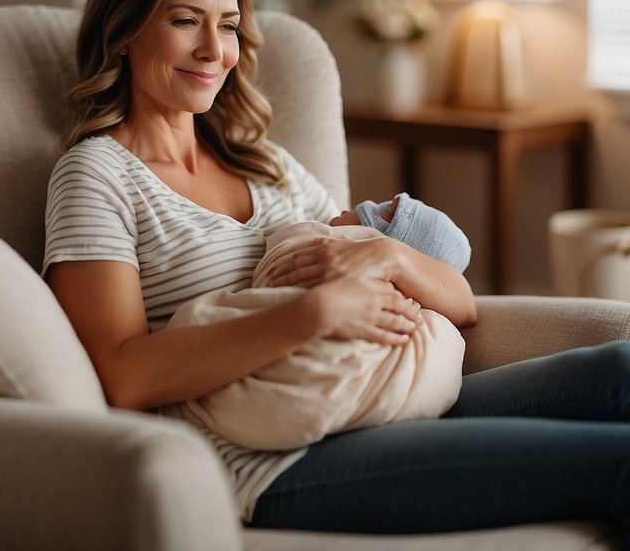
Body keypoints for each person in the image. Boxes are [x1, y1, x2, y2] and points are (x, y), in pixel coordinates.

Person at [42, 0, 630, 549]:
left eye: (229, 25)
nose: (215, 50)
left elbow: (459, 304)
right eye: (184, 21)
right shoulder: (96, 176)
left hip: (384, 391)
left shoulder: (261, 162)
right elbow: (123, 375)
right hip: (273, 455)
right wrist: (315, 312)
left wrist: (391, 254)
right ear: (123, 27)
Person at [162, 193, 470, 451]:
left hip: (357, 420)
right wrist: (321, 309)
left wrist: (392, 256)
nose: (345, 210)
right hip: (274, 460)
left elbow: (466, 308)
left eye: (381, 210)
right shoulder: (117, 177)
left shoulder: (278, 168)